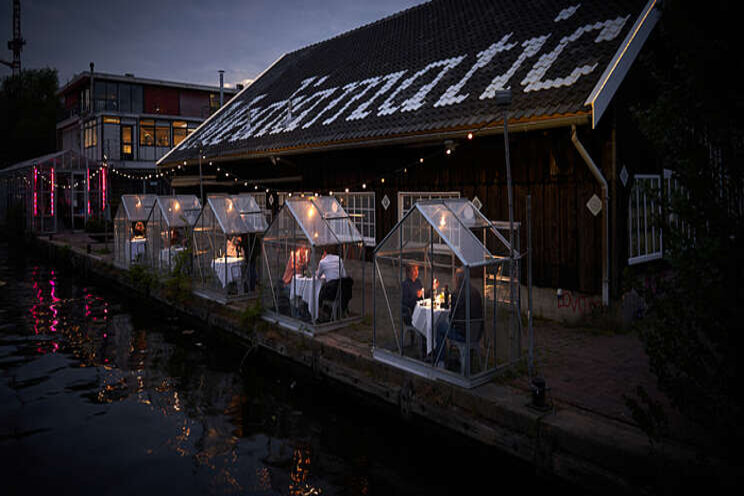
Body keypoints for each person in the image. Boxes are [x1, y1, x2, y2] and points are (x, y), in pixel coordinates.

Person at [432, 268, 483, 368]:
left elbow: (452, 318)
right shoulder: (476, 292)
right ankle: (463, 360)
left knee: (439, 327)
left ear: (457, 280)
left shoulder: (457, 294)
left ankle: (441, 361)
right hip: (477, 333)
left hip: (463, 334)